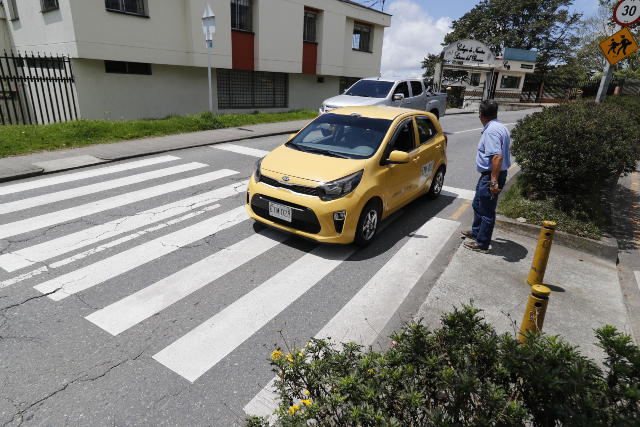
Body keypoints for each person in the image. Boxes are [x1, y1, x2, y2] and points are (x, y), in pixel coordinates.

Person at [461, 99, 511, 253]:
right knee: (477, 205)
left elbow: (497, 157)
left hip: (491, 176)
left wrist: (493, 181)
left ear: (480, 115)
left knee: (487, 211)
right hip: (488, 175)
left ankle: (482, 244)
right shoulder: (500, 127)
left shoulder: (491, 131)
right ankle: (476, 232)